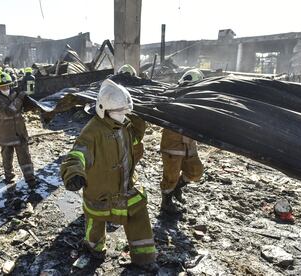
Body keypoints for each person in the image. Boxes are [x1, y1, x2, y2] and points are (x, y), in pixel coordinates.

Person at [60, 79, 158, 272]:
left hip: (127, 185)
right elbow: (78, 153)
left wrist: (141, 119)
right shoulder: (92, 131)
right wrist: (73, 172)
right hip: (100, 189)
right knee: (95, 222)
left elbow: (135, 140)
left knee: (139, 215)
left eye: (125, 111)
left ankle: (144, 257)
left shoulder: (126, 124)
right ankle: (93, 247)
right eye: (119, 112)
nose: (123, 115)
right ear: (104, 109)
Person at [159, 69, 205, 214]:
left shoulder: (201, 100)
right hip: (173, 145)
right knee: (170, 177)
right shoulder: (173, 97)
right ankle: (166, 202)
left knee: (196, 171)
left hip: (189, 145)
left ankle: (177, 189)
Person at [0, 71, 37, 188]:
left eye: (7, 85)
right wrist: (19, 98)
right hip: (5, 134)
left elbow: (25, 108)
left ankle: (30, 178)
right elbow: (8, 112)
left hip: (20, 132)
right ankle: (9, 177)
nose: (5, 87)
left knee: (25, 156)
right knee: (7, 156)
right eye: (2, 86)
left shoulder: (14, 93)